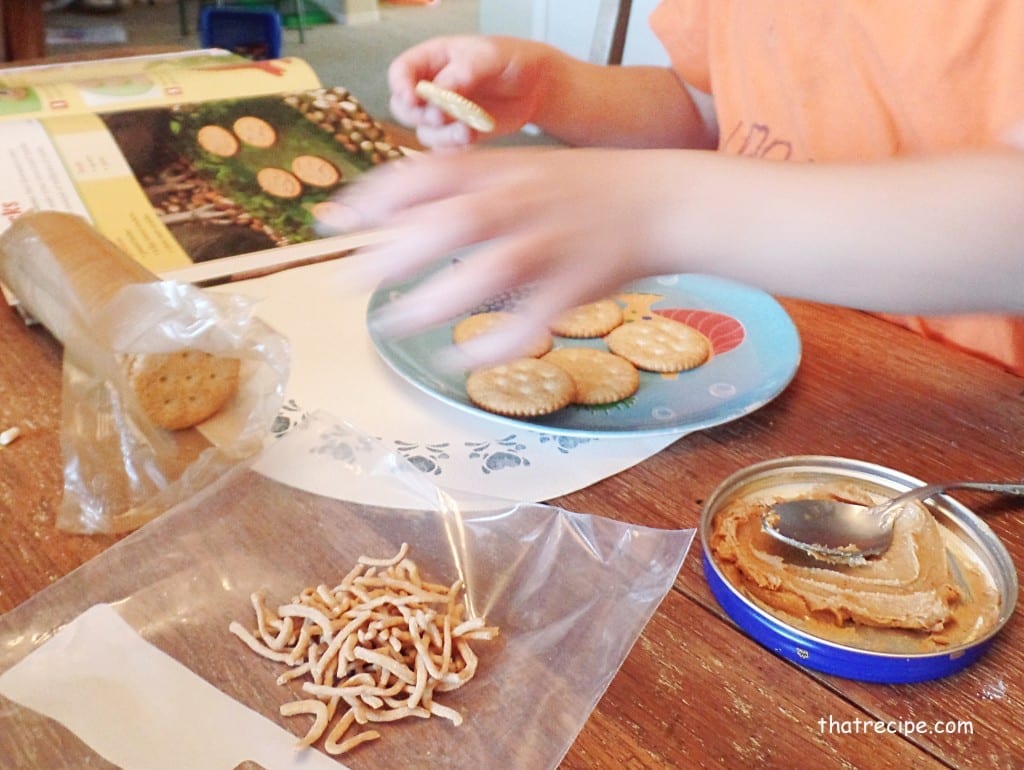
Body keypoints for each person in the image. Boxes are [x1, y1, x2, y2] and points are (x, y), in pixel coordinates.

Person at [333, 0, 1024, 376]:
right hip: (762, 337)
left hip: (964, 397)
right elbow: (703, 107)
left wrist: (666, 207)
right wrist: (559, 87)